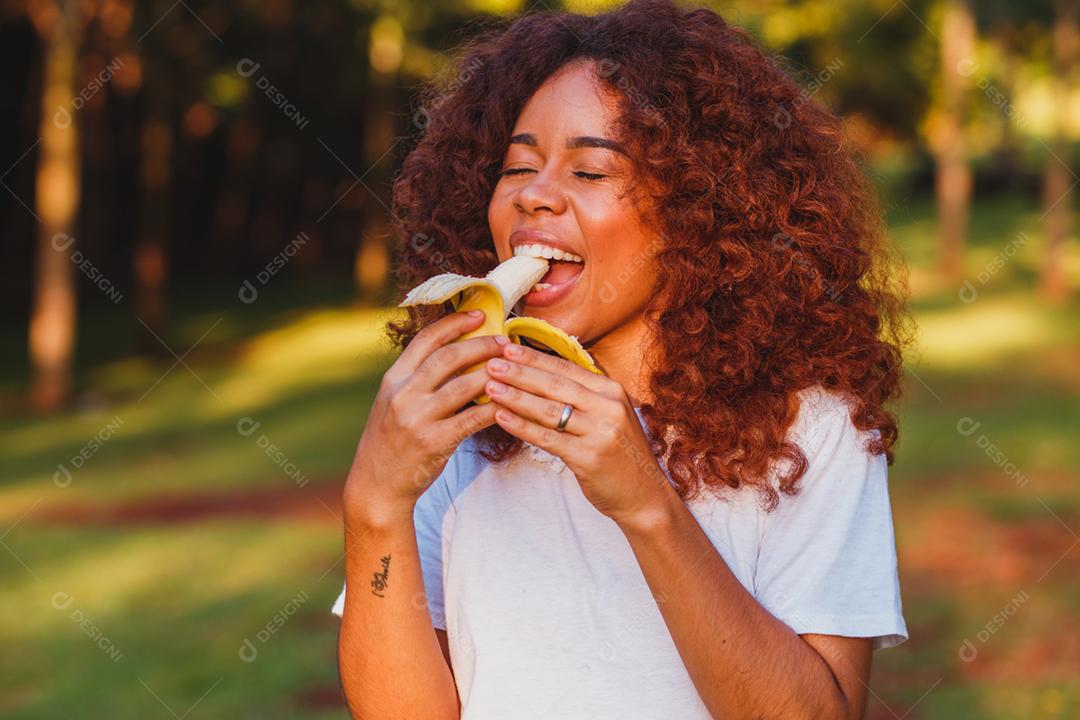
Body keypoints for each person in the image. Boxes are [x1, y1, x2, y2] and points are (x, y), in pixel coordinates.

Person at [332, 0, 911, 717]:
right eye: (517, 167)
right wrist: (376, 504)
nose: (534, 195)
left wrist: (644, 503)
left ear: (697, 210)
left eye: (590, 171)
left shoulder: (813, 428)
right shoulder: (465, 420)